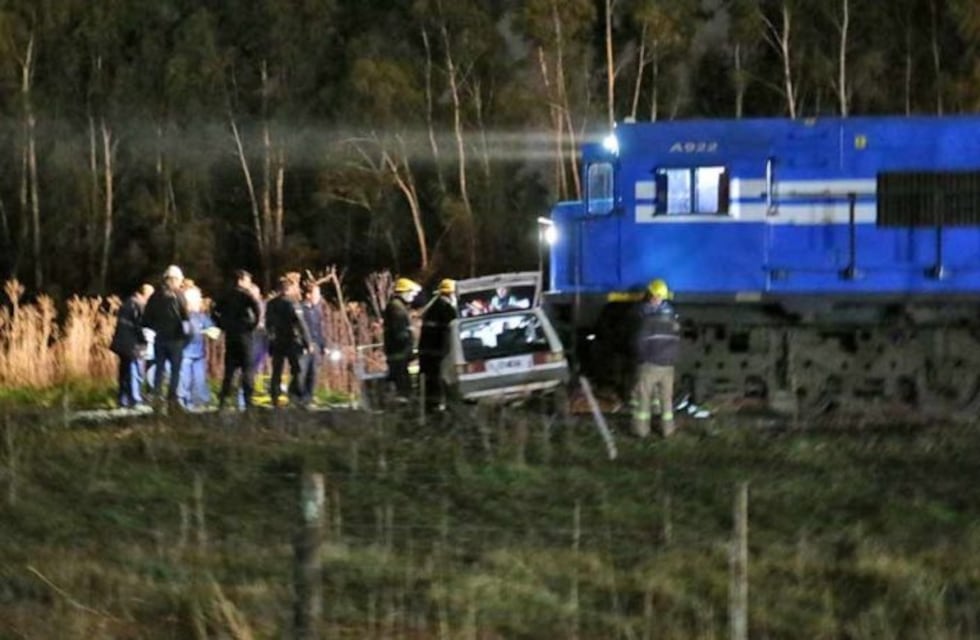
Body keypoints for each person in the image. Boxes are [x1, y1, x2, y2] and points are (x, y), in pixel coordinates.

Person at [631, 278, 682, 437]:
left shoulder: (647, 319)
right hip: (668, 365)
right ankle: (668, 431)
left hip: (651, 364)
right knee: (666, 399)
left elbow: (640, 343)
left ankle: (642, 432)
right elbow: (677, 341)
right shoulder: (672, 320)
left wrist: (642, 359)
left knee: (643, 398)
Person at [141, 265, 190, 411]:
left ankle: (156, 399)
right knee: (175, 371)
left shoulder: (154, 296)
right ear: (175, 280)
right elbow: (185, 316)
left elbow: (146, 320)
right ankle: (172, 400)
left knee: (159, 370)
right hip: (176, 339)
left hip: (160, 339)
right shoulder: (179, 295)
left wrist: (156, 328)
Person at [214, 269, 262, 410]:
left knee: (229, 371)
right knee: (247, 369)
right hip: (245, 336)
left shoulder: (226, 295)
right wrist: (252, 325)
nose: (249, 283)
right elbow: (257, 310)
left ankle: (223, 401)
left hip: (231, 336)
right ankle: (248, 402)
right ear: (240, 280)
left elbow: (214, 310)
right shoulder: (246, 295)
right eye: (247, 280)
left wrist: (222, 325)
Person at [265, 272, 313, 407]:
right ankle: (294, 396)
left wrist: (270, 339)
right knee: (297, 370)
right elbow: (301, 323)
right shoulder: (292, 303)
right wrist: (308, 342)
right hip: (291, 340)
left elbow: (268, 324)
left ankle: (275, 397)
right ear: (288, 289)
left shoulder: (271, 304)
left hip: (277, 341)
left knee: (276, 371)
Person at [109, 283, 154, 408]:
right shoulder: (139, 305)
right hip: (133, 345)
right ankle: (135, 399)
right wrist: (146, 340)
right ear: (146, 294)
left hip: (121, 343)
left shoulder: (127, 302)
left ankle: (122, 400)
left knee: (124, 372)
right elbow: (141, 327)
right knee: (135, 371)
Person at [418, 278, 458, 410]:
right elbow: (453, 329)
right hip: (437, 351)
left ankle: (431, 408)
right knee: (438, 380)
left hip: (428, 351)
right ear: (451, 293)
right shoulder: (446, 308)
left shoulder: (433, 307)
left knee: (430, 382)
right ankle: (438, 408)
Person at [177, 285, 217, 410]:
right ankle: (183, 403)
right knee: (184, 381)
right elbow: (182, 332)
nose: (200, 302)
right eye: (198, 300)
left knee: (199, 380)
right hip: (185, 355)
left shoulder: (201, 316)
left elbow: (214, 331)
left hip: (198, 355)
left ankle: (199, 403)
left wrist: (208, 331)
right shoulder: (182, 316)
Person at [383, 277, 421, 400]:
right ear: (405, 292)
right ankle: (403, 404)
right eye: (412, 293)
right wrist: (409, 342)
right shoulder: (396, 308)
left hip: (398, 351)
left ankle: (402, 401)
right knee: (402, 381)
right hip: (399, 352)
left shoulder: (397, 306)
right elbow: (399, 332)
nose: (413, 297)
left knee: (401, 379)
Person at [299, 280, 328, 407]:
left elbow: (319, 329)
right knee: (301, 373)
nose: (319, 297)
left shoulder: (317, 310)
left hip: (315, 346)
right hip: (304, 347)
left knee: (313, 373)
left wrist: (323, 345)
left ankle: (308, 398)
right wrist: (305, 344)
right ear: (308, 295)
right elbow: (299, 329)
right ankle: (298, 398)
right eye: (316, 294)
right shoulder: (300, 309)